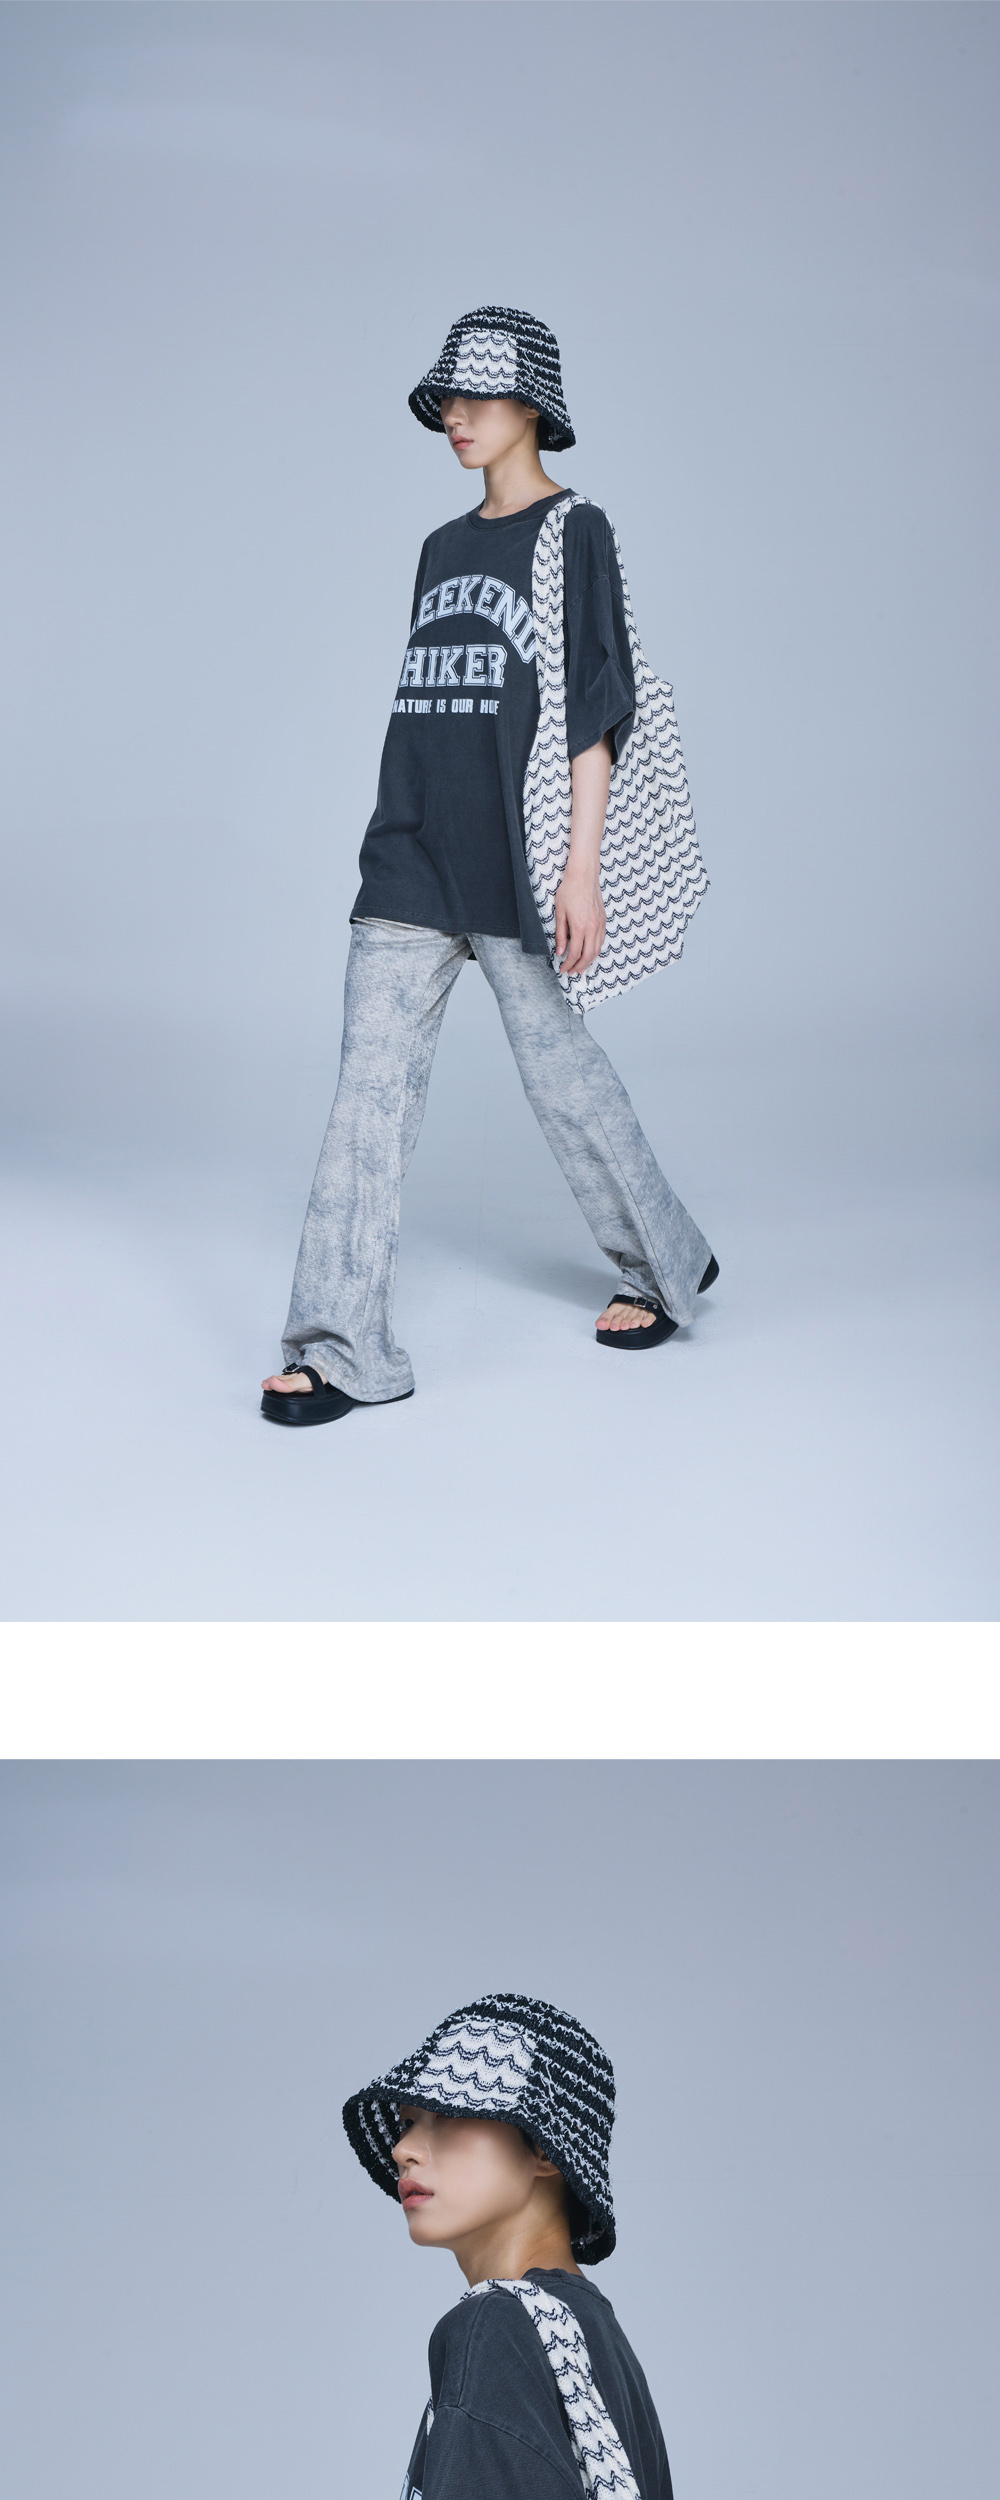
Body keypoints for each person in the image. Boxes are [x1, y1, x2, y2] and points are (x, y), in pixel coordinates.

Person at [262, 305, 716, 1427]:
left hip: (519, 859)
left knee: (562, 1080)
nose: (455, 417)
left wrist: (580, 870)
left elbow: (593, 711)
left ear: (532, 407)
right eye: (447, 399)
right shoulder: (440, 547)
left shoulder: (576, 531)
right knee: (365, 1098)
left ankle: (664, 1260)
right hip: (411, 852)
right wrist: (396, 825)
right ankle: (342, 1350)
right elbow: (431, 705)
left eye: (477, 397)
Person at [342, 1992, 675, 2500]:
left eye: (447, 2115)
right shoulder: (600, 2343)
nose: (403, 2150)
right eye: (408, 2124)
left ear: (543, 2147)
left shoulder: (496, 2329)